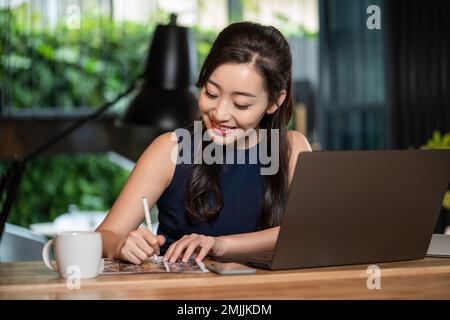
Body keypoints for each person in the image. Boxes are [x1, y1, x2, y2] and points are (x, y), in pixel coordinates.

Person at [96, 21, 312, 264]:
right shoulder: (171, 149)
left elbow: (310, 232)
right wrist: (120, 245)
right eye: (211, 93)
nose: (219, 113)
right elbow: (105, 235)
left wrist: (221, 245)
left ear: (275, 101)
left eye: (241, 104)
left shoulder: (292, 149)